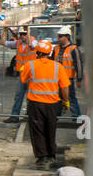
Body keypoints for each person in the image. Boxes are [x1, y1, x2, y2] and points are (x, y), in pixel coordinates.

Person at [20, 40, 71, 168]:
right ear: (50, 52)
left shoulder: (30, 65)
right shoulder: (58, 66)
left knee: (37, 130)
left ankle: (42, 158)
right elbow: (65, 87)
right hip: (52, 104)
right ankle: (51, 156)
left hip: (36, 104)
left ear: (37, 52)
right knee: (51, 129)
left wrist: (24, 70)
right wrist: (66, 101)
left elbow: (23, 79)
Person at [4, 28, 36, 124]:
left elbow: (31, 45)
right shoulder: (18, 43)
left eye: (24, 34)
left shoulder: (33, 41)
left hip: (31, 75)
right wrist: (4, 31)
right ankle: (14, 116)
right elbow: (3, 43)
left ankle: (29, 115)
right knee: (18, 95)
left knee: (30, 96)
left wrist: (28, 31)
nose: (22, 36)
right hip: (22, 75)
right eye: (21, 34)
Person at [56, 27, 83, 118]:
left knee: (71, 98)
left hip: (68, 79)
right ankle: (57, 115)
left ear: (67, 37)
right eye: (58, 36)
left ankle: (76, 116)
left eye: (60, 36)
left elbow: (78, 65)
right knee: (57, 98)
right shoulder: (56, 49)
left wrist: (79, 79)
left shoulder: (73, 49)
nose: (58, 38)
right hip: (57, 79)